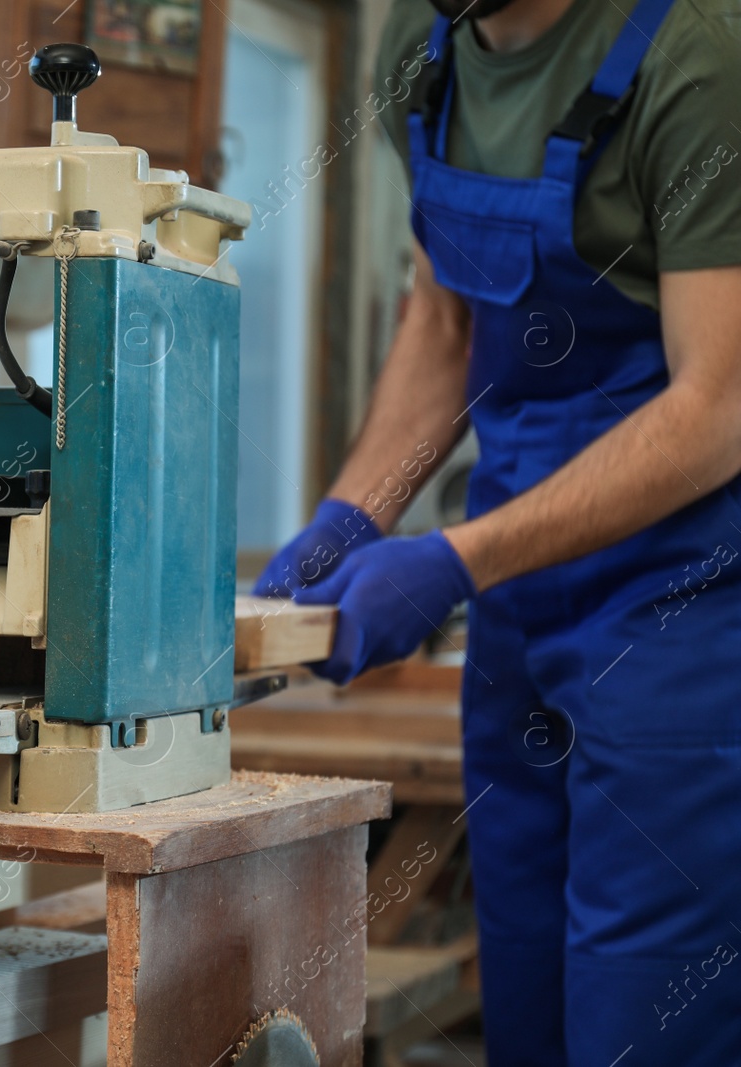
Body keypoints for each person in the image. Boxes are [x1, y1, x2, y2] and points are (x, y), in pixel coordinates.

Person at [253, 0, 741, 1062]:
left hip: (684, 617)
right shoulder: (427, 49)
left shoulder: (694, 59)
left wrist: (451, 561)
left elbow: (719, 408)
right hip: (518, 605)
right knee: (523, 1002)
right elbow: (442, 322)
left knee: (640, 1023)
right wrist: (351, 520)